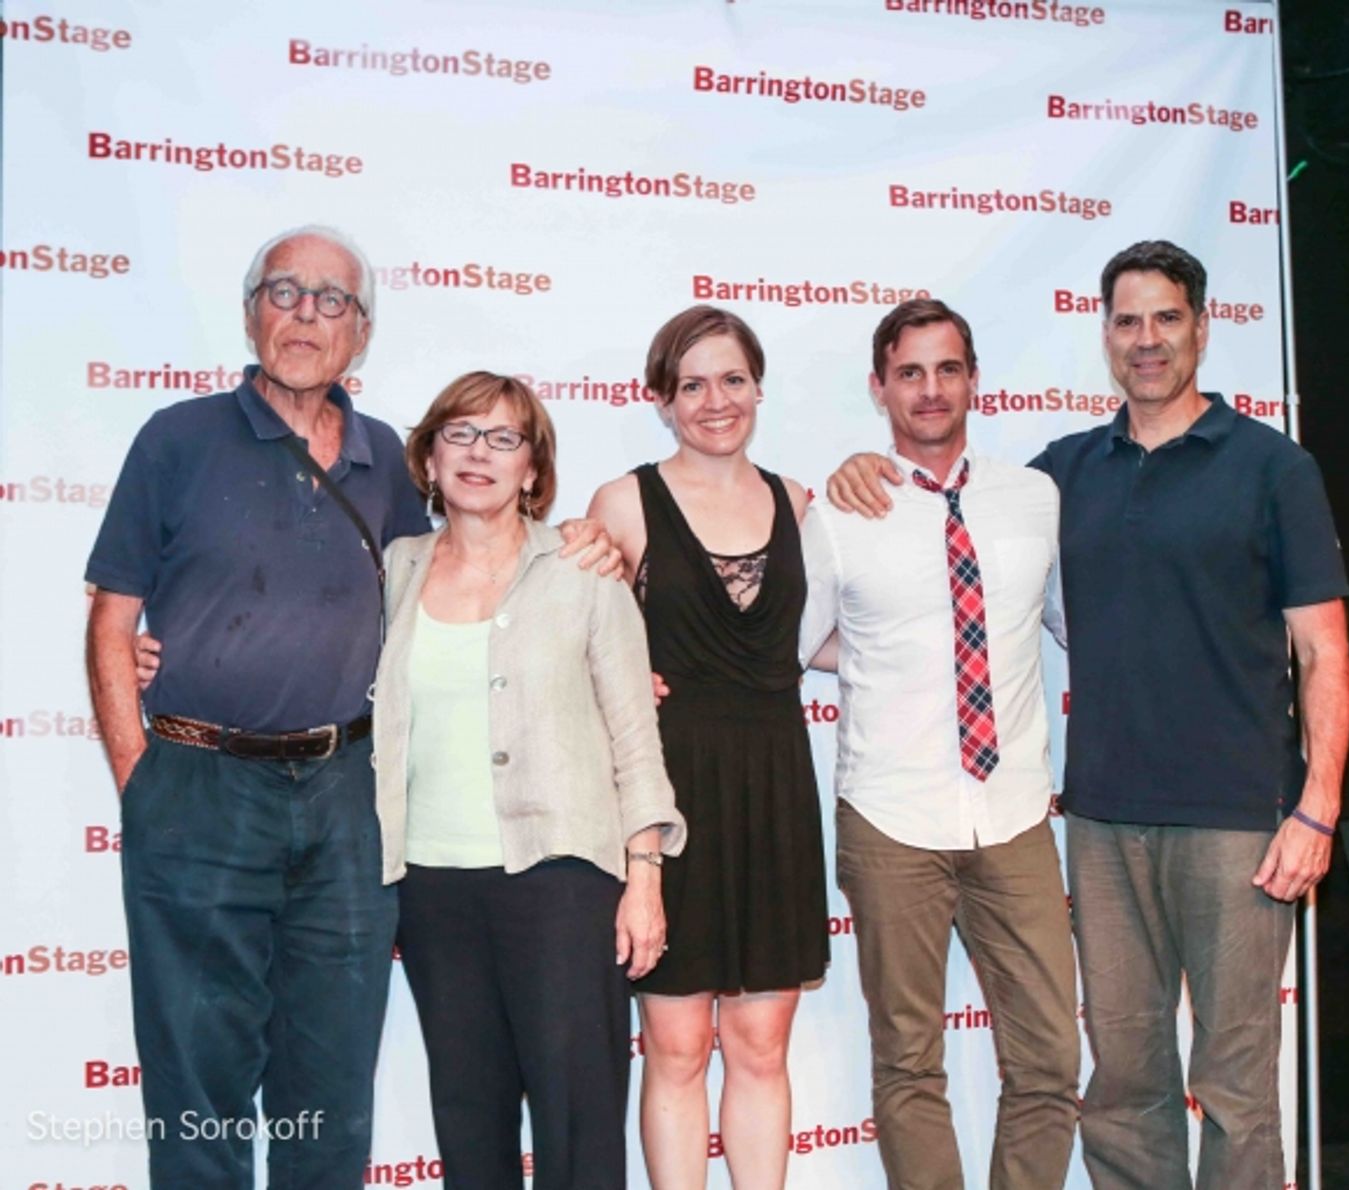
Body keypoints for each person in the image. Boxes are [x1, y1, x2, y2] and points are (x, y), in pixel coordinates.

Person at [84, 225, 614, 1188]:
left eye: (333, 301)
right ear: (251, 313)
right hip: (198, 790)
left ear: (359, 333)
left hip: (347, 802)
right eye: (284, 292)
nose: (306, 315)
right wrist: (143, 780)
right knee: (196, 1083)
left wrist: (588, 545)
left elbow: (480, 574)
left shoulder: (391, 466)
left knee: (328, 1086)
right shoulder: (175, 439)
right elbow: (113, 618)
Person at [826, 243, 1349, 1189]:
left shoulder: (1275, 468)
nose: (1146, 340)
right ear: (1104, 334)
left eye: (1166, 318)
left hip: (1241, 823)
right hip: (1101, 823)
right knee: (1122, 1084)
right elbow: (951, 552)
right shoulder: (1056, 478)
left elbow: (1324, 651)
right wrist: (863, 469)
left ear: (1203, 325)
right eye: (1126, 321)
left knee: (1234, 1088)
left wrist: (1315, 808)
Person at [375, 371, 685, 1190]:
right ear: (430, 457)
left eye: (504, 437)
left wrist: (645, 876)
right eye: (460, 433)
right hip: (433, 887)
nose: (480, 453)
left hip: (564, 883)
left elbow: (634, 735)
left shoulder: (587, 570)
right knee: (469, 1121)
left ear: (533, 470)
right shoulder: (394, 569)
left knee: (577, 1125)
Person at [800, 299, 1079, 1190]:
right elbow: (800, 646)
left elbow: (1067, 623)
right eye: (910, 372)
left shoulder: (1034, 498)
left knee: (1048, 1061)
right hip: (891, 818)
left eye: (947, 369)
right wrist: (897, 655)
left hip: (1014, 814)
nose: (930, 389)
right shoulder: (843, 510)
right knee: (909, 1063)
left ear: (973, 381)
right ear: (881, 387)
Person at [586, 306, 830, 1190]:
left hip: (775, 787)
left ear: (758, 388)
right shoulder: (622, 503)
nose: (714, 401)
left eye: (731, 379)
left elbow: (840, 633)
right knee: (677, 1048)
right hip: (670, 793)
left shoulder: (802, 502)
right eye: (691, 384)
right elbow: (574, 639)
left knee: (763, 1047)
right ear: (662, 400)